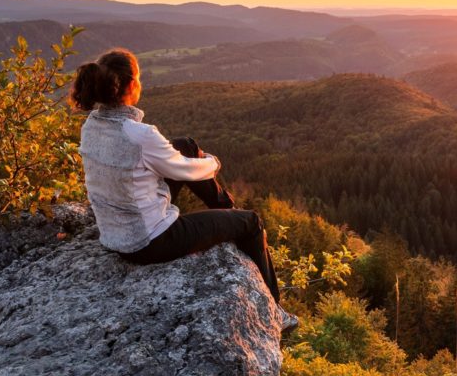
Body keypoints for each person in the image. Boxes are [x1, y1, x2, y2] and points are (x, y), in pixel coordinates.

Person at [70, 48, 297, 332]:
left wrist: (195, 158)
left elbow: (174, 160)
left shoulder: (91, 125)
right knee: (251, 222)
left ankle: (227, 214)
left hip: (114, 233)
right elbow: (185, 170)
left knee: (186, 145)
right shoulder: (140, 135)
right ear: (130, 85)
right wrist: (213, 163)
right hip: (150, 242)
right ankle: (276, 313)